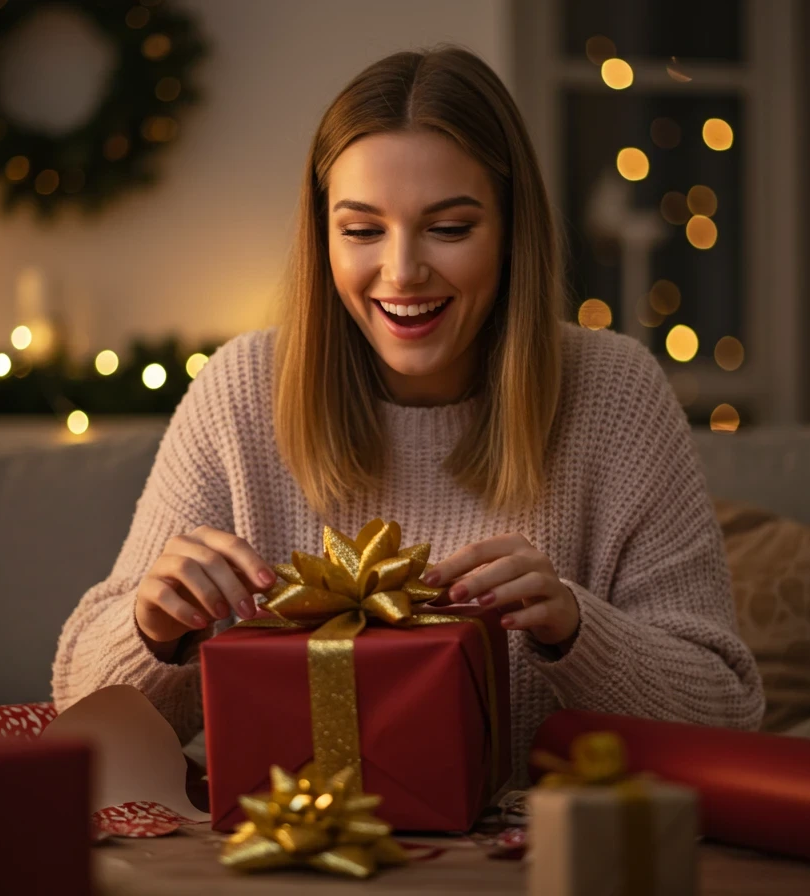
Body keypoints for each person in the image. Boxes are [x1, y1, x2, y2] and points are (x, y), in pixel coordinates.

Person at [52, 45, 764, 783]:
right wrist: (154, 630)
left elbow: (728, 711)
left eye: (449, 229)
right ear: (323, 235)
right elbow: (79, 711)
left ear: (511, 232)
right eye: (362, 231)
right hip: (278, 838)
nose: (402, 272)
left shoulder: (614, 390)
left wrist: (578, 632)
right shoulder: (243, 389)